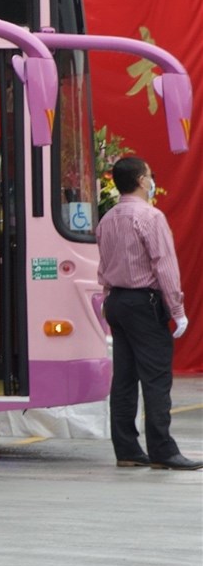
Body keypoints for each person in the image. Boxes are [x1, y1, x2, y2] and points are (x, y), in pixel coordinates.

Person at [100, 156, 193, 471]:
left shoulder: (107, 218)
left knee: (124, 378)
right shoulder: (150, 217)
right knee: (156, 377)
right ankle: (162, 450)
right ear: (141, 180)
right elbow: (163, 264)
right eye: (150, 175)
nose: (152, 180)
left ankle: (126, 448)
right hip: (144, 302)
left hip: (117, 300)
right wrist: (177, 309)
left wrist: (108, 298)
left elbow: (103, 266)